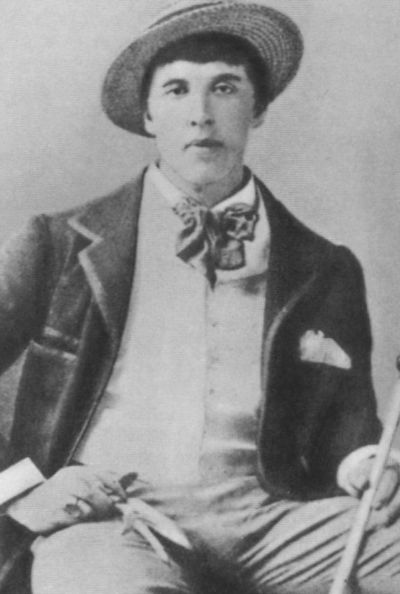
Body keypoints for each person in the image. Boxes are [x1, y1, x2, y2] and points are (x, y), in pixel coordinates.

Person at [0, 1, 400, 593]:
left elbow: (346, 416)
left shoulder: (325, 266)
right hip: (112, 517)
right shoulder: (57, 244)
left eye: (225, 88)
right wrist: (19, 489)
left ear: (258, 109)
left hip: (273, 515)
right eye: (177, 89)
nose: (201, 114)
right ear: (148, 113)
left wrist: (365, 464)